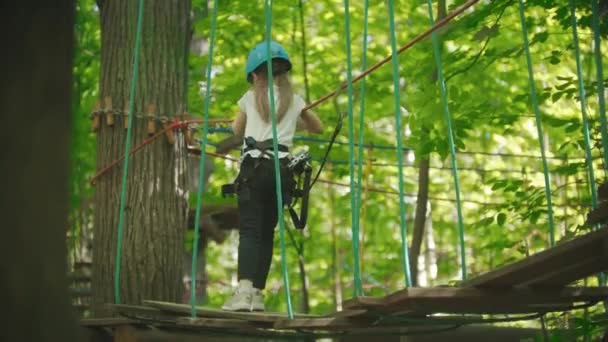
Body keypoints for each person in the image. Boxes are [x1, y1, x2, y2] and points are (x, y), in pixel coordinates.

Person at [221, 40, 323, 312]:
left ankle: (242, 295)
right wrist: (293, 119)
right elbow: (318, 127)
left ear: (255, 75)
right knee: (266, 233)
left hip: (254, 170)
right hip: (281, 172)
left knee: (250, 232)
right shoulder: (295, 100)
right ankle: (256, 294)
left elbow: (237, 131)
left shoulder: (249, 98)